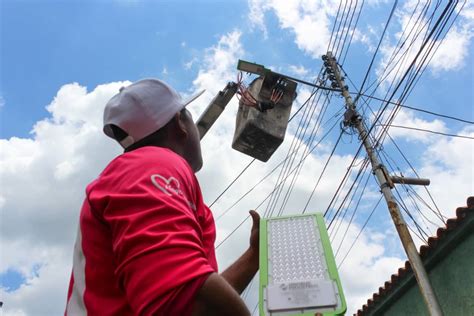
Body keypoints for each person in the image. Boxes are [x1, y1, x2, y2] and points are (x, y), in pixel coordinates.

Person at [65, 78, 260, 315]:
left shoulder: (145, 173)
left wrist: (253, 257)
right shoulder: (150, 164)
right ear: (180, 122)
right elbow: (182, 302)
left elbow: (194, 301)